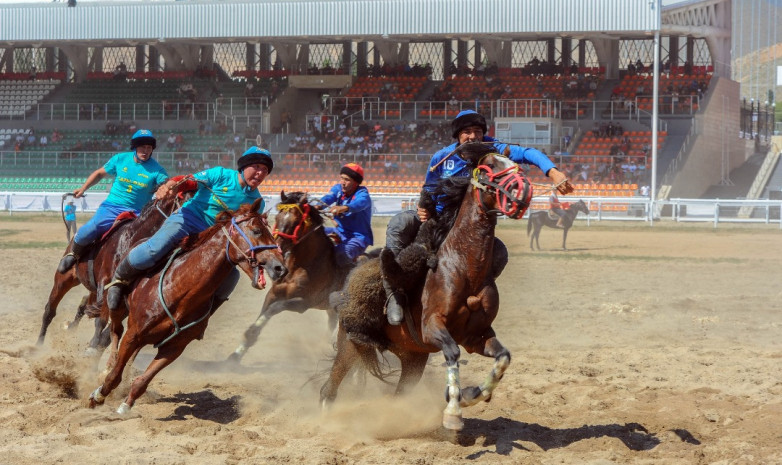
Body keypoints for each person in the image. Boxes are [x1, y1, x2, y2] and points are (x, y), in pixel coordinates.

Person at [382, 110, 573, 325]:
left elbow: (528, 153)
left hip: (469, 227)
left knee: (499, 253)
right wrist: (423, 207)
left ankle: (469, 295)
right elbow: (429, 187)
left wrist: (553, 172)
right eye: (467, 132)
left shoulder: (493, 152)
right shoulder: (442, 157)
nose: (473, 137)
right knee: (400, 224)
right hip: (438, 219)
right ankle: (394, 293)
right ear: (457, 136)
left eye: (477, 131)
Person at [104, 146, 274, 311]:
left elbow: (249, 237)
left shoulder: (257, 202)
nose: (260, 173)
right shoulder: (220, 175)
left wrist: (257, 270)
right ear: (244, 166)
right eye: (256, 166)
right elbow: (188, 182)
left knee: (230, 279)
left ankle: (204, 315)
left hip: (214, 240)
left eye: (265, 170)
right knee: (154, 250)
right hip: (188, 220)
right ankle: (119, 278)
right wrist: (171, 186)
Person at [56, 129, 168, 274]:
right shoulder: (120, 159)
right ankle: (73, 254)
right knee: (88, 230)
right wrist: (83, 188)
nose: (145, 150)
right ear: (134, 147)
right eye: (142, 146)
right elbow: (99, 174)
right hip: (112, 207)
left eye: (149, 147)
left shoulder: (157, 170)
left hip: (138, 214)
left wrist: (166, 187)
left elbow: (167, 183)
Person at [315, 163, 373, 267]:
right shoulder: (338, 189)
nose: (343, 182)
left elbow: (360, 203)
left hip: (358, 237)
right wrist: (317, 207)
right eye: (341, 178)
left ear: (356, 182)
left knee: (340, 254)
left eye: (347, 179)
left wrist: (344, 208)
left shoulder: (362, 193)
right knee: (312, 234)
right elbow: (328, 198)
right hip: (339, 232)